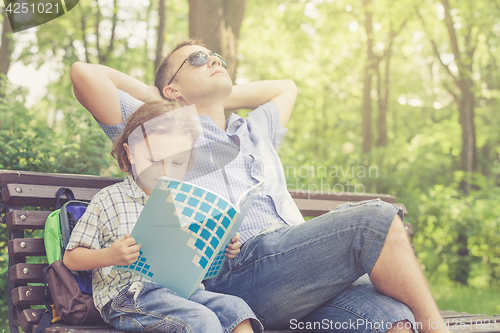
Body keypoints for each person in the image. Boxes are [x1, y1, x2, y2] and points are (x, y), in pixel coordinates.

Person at [70, 38, 451, 333]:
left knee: (392, 318)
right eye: (198, 59)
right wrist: (165, 100)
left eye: (216, 55)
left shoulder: (255, 130)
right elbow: (85, 75)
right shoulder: (165, 133)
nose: (214, 60)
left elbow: (287, 87)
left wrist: (211, 91)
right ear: (172, 89)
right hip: (233, 275)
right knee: (376, 221)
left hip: (294, 270)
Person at [63, 99, 263, 333]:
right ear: (130, 153)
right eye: (155, 160)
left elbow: (199, 263)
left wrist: (223, 249)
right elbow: (72, 258)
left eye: (177, 162)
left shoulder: (189, 203)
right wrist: (110, 255)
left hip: (184, 293)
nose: (165, 171)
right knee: (201, 320)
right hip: (131, 296)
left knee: (236, 310)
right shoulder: (109, 200)